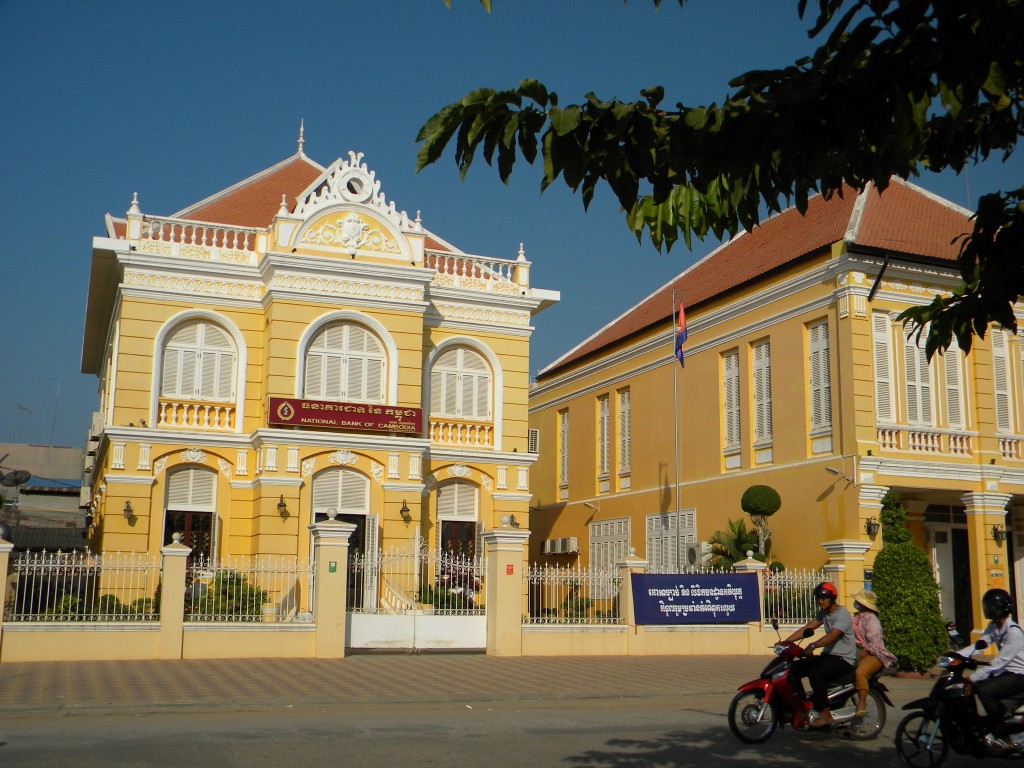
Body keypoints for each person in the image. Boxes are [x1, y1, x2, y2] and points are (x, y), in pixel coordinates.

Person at [784, 581, 857, 727]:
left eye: (823, 598)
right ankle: (801, 705)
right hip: (829, 656)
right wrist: (786, 642)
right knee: (793, 669)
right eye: (818, 598)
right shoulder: (823, 613)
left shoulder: (842, 614)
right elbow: (808, 627)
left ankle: (826, 712)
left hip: (844, 659)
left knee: (815, 673)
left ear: (832, 598)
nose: (820, 600)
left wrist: (813, 645)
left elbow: (833, 636)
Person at [965, 588, 1024, 751]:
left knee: (985, 691)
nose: (987, 609)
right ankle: (982, 725)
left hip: (1020, 675)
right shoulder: (994, 626)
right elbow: (978, 647)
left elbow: (998, 662)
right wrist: (954, 657)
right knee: (974, 688)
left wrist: (973, 677)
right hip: (1007, 673)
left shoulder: (1014, 632)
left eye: (990, 606)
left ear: (999, 608)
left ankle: (1003, 736)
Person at [850, 589, 896, 717]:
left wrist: (865, 651)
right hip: (859, 650)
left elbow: (875, 641)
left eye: (858, 601)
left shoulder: (871, 619)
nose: (855, 603)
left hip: (875, 653)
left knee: (861, 672)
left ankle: (862, 704)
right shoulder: (857, 616)